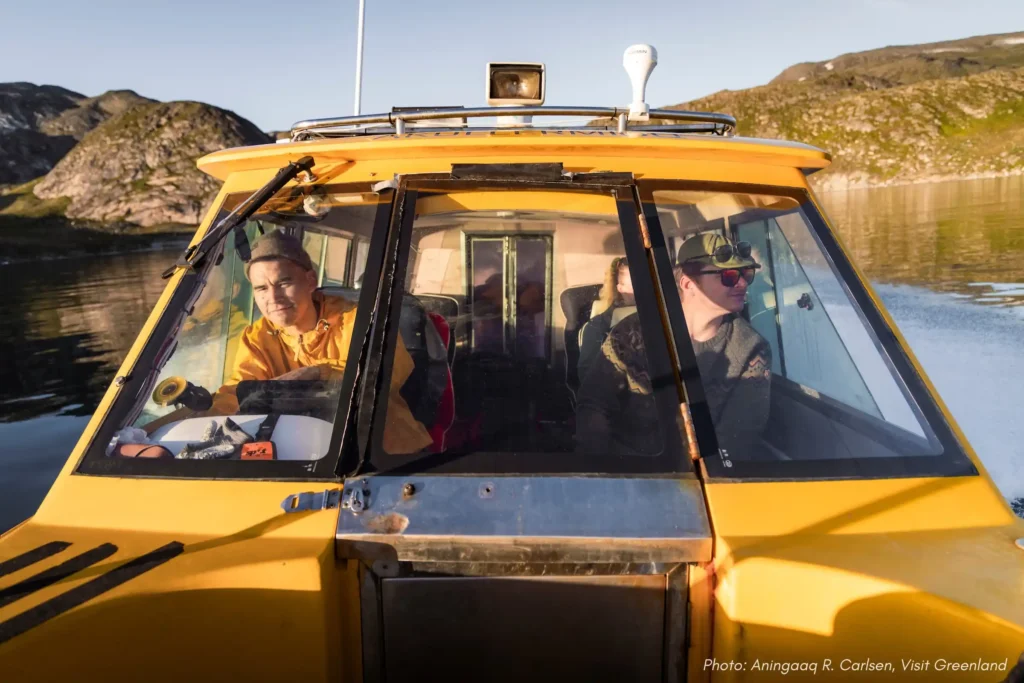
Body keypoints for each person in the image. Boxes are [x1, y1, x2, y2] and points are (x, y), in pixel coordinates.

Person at [206, 230, 432, 455]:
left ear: (310, 281)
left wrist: (319, 372)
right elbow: (238, 390)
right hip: (303, 451)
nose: (273, 298)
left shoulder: (358, 320)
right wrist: (207, 421)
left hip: (383, 451)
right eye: (262, 288)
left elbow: (388, 372)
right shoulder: (257, 337)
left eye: (284, 283)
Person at [576, 233, 771, 458]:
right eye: (728, 276)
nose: (743, 283)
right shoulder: (632, 332)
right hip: (627, 470)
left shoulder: (752, 348)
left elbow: (739, 436)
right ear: (688, 284)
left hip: (702, 479)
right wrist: (610, 468)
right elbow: (593, 404)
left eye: (746, 274)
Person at [577, 256, 636, 384]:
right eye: (636, 285)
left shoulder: (661, 317)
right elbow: (588, 378)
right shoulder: (597, 328)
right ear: (621, 289)